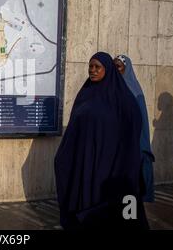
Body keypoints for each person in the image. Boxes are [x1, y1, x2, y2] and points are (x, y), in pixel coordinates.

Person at [54, 52, 149, 230]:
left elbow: (133, 126)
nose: (93, 70)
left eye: (98, 67)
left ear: (108, 70)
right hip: (87, 161)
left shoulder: (124, 99)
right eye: (90, 67)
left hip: (111, 165)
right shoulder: (85, 94)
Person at [114, 55, 155, 203]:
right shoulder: (112, 88)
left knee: (130, 188)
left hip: (131, 145)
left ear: (126, 69)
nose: (116, 71)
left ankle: (130, 217)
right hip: (116, 145)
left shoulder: (134, 90)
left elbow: (140, 122)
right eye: (114, 67)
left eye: (118, 67)